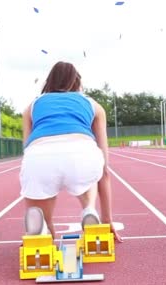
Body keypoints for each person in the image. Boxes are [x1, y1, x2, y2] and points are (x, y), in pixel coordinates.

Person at [19, 61, 122, 242]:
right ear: (76, 82)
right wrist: (107, 220)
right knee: (91, 175)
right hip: (81, 154)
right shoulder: (93, 105)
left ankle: (42, 226)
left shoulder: (32, 106)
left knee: (38, 197)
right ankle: (89, 209)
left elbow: (28, 149)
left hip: (39, 157)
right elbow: (105, 170)